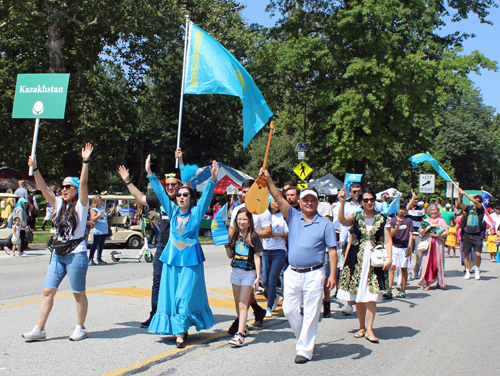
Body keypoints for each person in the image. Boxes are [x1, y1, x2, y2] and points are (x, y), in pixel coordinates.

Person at [261, 169, 337, 364]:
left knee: (311, 312)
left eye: (312, 200)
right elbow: (278, 196)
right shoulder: (293, 216)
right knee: (289, 309)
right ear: (300, 203)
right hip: (293, 272)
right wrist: (268, 179)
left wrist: (332, 275)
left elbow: (332, 250)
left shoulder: (325, 224)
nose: (309, 203)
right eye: (305, 200)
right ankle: (304, 337)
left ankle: (304, 350)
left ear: (317, 202)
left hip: (315, 273)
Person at [22, 143, 93, 342]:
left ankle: (80, 327)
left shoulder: (82, 205)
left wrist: (85, 162)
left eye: (67, 186)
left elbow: (85, 184)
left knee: (78, 293)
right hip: (58, 254)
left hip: (76, 254)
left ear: (76, 189)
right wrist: (35, 168)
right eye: (62, 187)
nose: (63, 189)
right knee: (47, 291)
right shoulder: (58, 203)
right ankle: (39, 329)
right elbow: (43, 187)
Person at [146, 156, 218, 348]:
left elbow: (207, 198)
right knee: (172, 295)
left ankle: (180, 331)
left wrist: (212, 180)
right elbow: (161, 193)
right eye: (179, 195)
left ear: (190, 198)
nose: (181, 197)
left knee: (183, 297)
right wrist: (150, 174)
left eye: (185, 195)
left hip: (191, 261)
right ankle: (180, 329)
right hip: (171, 260)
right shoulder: (172, 211)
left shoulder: (196, 212)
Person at [117, 149, 184, 328]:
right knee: (157, 281)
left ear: (179, 186)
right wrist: (128, 181)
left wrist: (181, 161)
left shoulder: (185, 200)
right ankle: (154, 314)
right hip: (162, 248)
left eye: (173, 184)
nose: (170, 187)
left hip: (179, 249)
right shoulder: (160, 200)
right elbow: (139, 197)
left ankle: (177, 315)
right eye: (167, 184)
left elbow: (190, 184)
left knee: (177, 284)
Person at [337, 187, 392, 343]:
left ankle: (370, 329)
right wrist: (341, 203)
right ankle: (361, 326)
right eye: (366, 200)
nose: (369, 202)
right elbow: (341, 220)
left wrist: (389, 258)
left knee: (372, 296)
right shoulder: (356, 216)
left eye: (372, 200)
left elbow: (388, 240)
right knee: (359, 296)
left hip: (375, 259)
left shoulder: (383, 218)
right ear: (361, 202)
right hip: (357, 258)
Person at [228, 179, 271, 332]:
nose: (246, 195)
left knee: (246, 290)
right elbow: (231, 229)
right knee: (242, 292)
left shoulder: (263, 210)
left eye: (249, 192)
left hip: (257, 254)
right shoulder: (238, 209)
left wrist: (249, 235)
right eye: (244, 192)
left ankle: (241, 323)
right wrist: (233, 240)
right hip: (239, 257)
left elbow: (268, 231)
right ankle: (255, 312)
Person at [224, 207, 262, 346]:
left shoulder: (253, 236)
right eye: (239, 219)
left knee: (243, 303)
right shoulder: (233, 235)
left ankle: (239, 335)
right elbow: (230, 255)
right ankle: (243, 326)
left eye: (244, 219)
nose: (241, 222)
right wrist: (226, 244)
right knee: (237, 303)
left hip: (249, 273)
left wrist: (258, 276)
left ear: (249, 221)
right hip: (235, 271)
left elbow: (257, 257)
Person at [337, 182, 362, 315]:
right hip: (347, 240)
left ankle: (361, 300)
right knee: (349, 270)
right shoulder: (346, 205)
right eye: (354, 191)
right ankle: (349, 303)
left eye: (359, 191)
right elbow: (340, 221)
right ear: (350, 192)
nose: (357, 194)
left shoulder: (366, 206)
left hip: (363, 243)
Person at [261, 199, 288, 317]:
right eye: (274, 202)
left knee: (272, 280)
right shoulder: (263, 216)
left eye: (279, 202)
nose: (277, 204)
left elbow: (288, 234)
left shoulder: (283, 217)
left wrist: (278, 234)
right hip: (265, 251)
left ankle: (269, 306)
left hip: (279, 251)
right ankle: (275, 295)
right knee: (264, 281)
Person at [385, 201, 413, 299]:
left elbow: (411, 235)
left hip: (404, 247)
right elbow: (390, 235)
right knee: (392, 268)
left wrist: (409, 247)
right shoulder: (392, 220)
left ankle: (403, 290)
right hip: (394, 246)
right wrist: (397, 225)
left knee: (403, 268)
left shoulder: (408, 221)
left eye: (403, 208)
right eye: (399, 208)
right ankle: (389, 290)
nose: (401, 211)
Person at [418, 204, 448, 290]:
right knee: (427, 263)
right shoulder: (425, 221)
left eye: (435, 210)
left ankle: (439, 280)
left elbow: (446, 232)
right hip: (428, 244)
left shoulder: (441, 221)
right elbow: (421, 231)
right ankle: (427, 283)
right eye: (432, 210)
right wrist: (431, 226)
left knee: (438, 262)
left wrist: (436, 235)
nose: (433, 211)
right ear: (428, 212)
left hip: (438, 244)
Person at [457, 188, 485, 280]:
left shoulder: (481, 209)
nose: (476, 202)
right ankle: (468, 271)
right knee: (466, 254)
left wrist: (465, 193)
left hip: (477, 234)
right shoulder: (469, 208)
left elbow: (475, 202)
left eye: (479, 201)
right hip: (467, 234)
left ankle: (477, 269)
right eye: (476, 200)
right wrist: (460, 195)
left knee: (478, 254)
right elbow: (460, 204)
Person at [317, 197, 334, 317]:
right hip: (312, 251)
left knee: (325, 279)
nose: (308, 202)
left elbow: (326, 223)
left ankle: (327, 302)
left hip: (325, 249)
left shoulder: (325, 206)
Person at [88, 195, 109, 265]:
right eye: (100, 200)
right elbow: (93, 219)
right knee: (95, 244)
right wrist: (100, 214)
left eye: (102, 200)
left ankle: (99, 258)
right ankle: (90, 258)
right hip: (98, 230)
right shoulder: (94, 209)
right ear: (96, 201)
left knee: (101, 245)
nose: (102, 201)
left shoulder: (102, 208)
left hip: (104, 229)